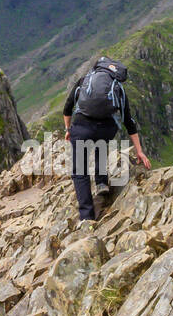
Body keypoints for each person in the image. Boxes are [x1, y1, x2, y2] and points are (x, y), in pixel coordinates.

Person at [63, 55, 150, 222]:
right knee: (100, 142)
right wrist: (139, 151)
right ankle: (101, 182)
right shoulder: (117, 87)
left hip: (81, 128)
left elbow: (67, 108)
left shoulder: (84, 80)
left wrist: (68, 130)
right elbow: (128, 121)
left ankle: (87, 217)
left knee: (79, 172)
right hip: (106, 130)